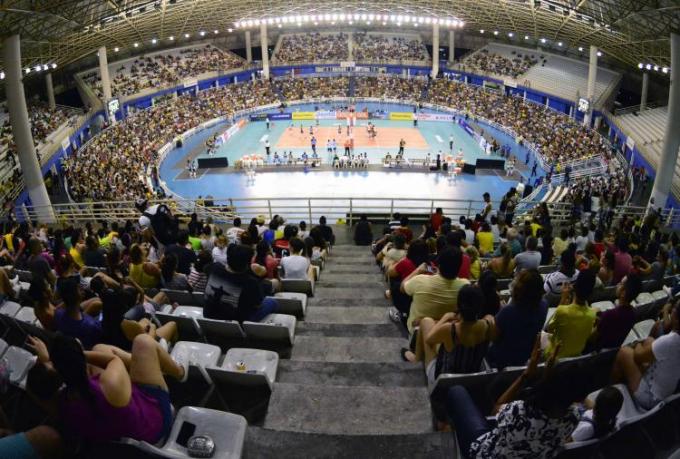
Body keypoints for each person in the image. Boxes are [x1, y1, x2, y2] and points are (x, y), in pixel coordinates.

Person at [25, 333, 184, 444]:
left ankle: (154, 364)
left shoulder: (59, 405)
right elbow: (113, 359)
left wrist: (64, 359)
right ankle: (180, 372)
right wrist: (75, 354)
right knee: (143, 341)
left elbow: (32, 390)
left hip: (120, 424)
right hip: (155, 422)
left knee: (99, 348)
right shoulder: (108, 385)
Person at [447, 334, 581, 459]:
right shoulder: (574, 418)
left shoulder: (520, 411)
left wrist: (526, 375)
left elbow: (496, 410)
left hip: (486, 454)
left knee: (456, 391)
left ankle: (449, 430)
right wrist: (548, 373)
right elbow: (556, 394)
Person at [403, 285, 495, 381]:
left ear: (459, 305)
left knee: (426, 322)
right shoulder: (488, 324)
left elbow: (429, 339)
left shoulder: (450, 329)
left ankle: (416, 359)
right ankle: (417, 358)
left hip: (445, 379)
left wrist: (445, 318)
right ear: (481, 306)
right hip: (473, 375)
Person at [611, 299, 680, 409]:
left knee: (624, 352)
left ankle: (612, 393)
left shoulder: (671, 341)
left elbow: (638, 357)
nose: (672, 309)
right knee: (649, 340)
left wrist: (638, 343)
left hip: (650, 397)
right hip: (666, 390)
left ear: (676, 318)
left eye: (675, 307)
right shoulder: (672, 340)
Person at [203, 244, 280, 322]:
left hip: (209, 316)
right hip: (237, 323)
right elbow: (257, 304)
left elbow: (206, 268)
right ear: (247, 264)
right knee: (272, 302)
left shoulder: (213, 268)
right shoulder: (250, 283)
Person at [488, 269, 548, 369]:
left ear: (518, 290)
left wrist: (491, 320)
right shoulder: (544, 305)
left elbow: (494, 338)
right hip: (525, 356)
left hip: (501, 361)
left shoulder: (507, 312)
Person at [402, 247, 470, 334]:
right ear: (459, 266)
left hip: (418, 332)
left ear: (439, 264)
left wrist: (417, 270)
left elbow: (402, 287)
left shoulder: (420, 280)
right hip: (448, 333)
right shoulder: (466, 286)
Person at [544, 269, 597, 358]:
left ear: (574, 288)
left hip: (554, 357)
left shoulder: (562, 311)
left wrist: (563, 299)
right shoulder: (593, 315)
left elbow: (548, 329)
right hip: (576, 357)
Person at [589, 273, 642, 351]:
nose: (617, 284)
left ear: (623, 293)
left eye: (620, 283)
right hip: (612, 351)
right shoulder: (633, 313)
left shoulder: (610, 315)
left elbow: (591, 338)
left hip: (597, 349)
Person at [54, 276, 102, 349]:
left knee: (96, 300)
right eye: (79, 288)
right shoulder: (92, 325)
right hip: (90, 348)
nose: (83, 289)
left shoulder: (58, 314)